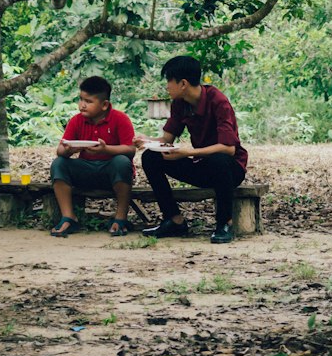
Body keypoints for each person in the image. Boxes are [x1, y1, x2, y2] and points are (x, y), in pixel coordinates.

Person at [137, 55, 247, 244]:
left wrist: (187, 153)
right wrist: (146, 141)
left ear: (183, 83)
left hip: (230, 169)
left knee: (218, 159)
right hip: (202, 166)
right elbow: (166, 139)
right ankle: (174, 220)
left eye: (169, 81)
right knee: (151, 157)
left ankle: (224, 223)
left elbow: (228, 149)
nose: (167, 87)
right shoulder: (180, 104)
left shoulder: (218, 101)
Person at [50, 75, 136, 237]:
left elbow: (130, 150)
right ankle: (68, 217)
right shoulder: (76, 121)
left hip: (111, 172)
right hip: (86, 169)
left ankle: (120, 218)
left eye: (88, 101)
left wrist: (106, 149)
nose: (82, 105)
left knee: (122, 162)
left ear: (104, 105)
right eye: (81, 99)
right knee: (59, 163)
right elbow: (60, 150)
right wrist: (69, 150)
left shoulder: (120, 119)